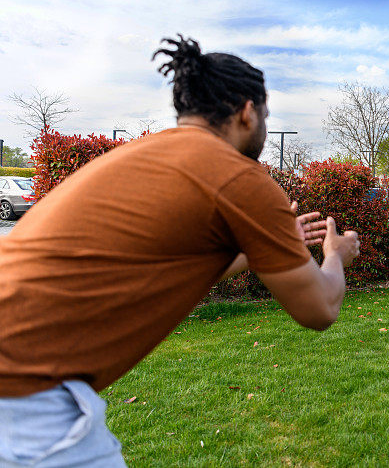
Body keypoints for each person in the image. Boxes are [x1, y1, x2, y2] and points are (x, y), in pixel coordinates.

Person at [0, 35, 360, 467]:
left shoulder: (143, 155)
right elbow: (319, 308)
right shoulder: (239, 177)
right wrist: (336, 254)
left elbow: (161, 265)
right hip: (23, 398)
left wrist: (262, 251)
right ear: (248, 112)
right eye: (265, 114)